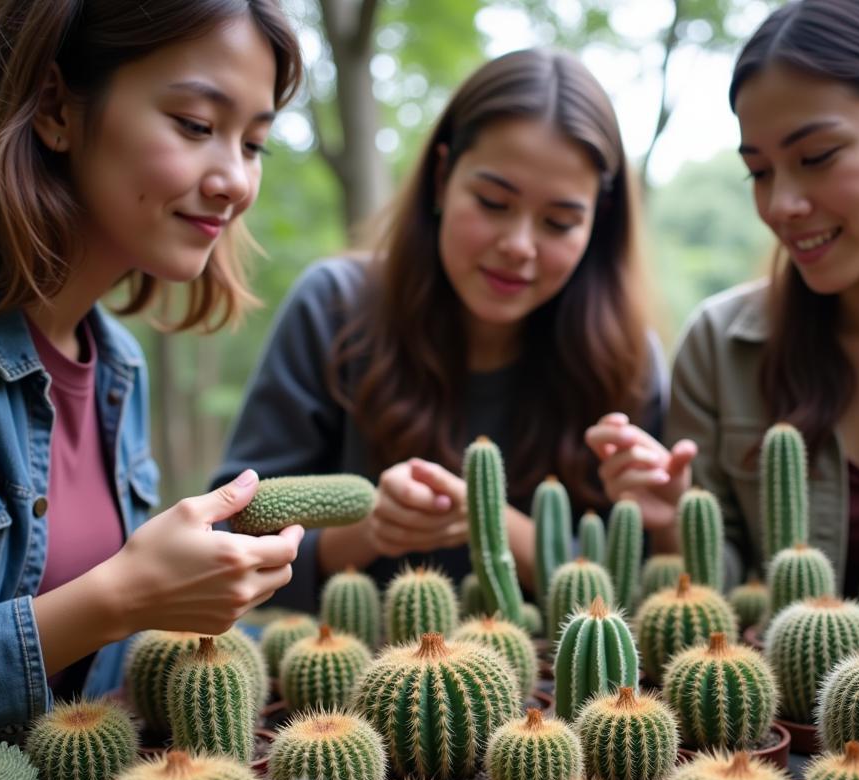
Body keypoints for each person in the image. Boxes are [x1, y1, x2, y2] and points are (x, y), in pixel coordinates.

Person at [212, 48, 666, 607]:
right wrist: (367, 534)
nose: (518, 246)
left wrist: (493, 523)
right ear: (442, 176)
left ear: (598, 223)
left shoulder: (628, 360)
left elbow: (650, 586)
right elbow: (227, 530)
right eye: (493, 202)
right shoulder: (333, 307)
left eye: (559, 222)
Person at [588, 0, 859, 597]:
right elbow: (721, 594)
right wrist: (677, 520)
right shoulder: (720, 346)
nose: (780, 206)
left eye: (817, 158)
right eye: (759, 171)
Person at [0, 0, 304, 736]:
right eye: (195, 125)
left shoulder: (120, 369)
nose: (234, 182)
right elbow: (104, 604)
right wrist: (120, 596)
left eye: (254, 144)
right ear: (56, 106)